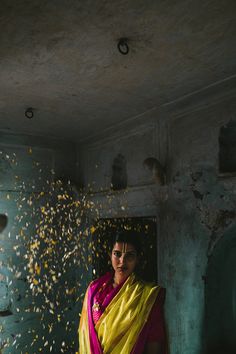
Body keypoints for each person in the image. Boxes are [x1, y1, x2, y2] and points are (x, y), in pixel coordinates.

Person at [78, 229, 167, 354]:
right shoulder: (94, 291)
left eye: (129, 255)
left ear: (138, 258)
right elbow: (85, 338)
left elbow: (154, 342)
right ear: (110, 255)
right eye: (117, 254)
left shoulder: (147, 297)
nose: (122, 261)